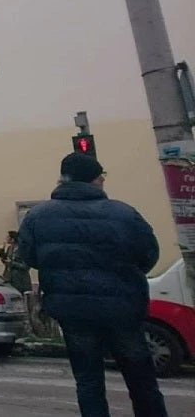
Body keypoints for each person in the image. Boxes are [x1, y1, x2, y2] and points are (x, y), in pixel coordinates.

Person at [18, 153, 167, 417]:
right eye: (101, 177)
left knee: (88, 382)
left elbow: (30, 257)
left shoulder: (37, 217)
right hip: (122, 307)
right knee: (142, 381)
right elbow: (148, 254)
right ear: (94, 180)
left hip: (72, 310)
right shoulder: (124, 213)